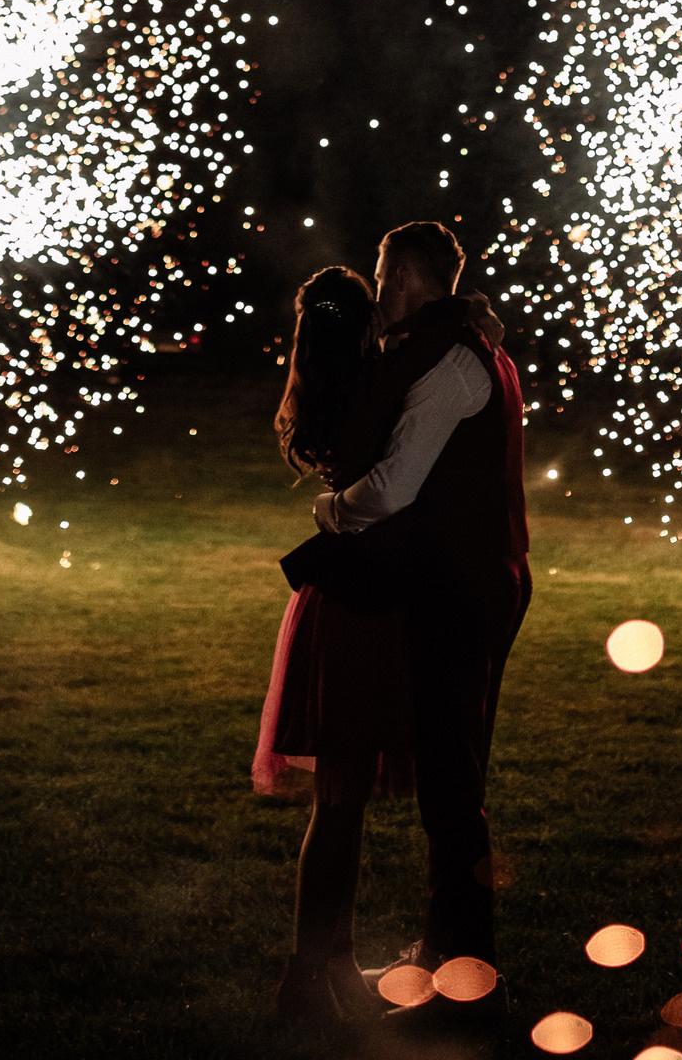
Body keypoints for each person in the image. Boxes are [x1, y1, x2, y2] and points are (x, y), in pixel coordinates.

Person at [311, 220, 531, 1027]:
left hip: (459, 587)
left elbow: (398, 484)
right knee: (451, 778)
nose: (377, 293)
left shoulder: (448, 364)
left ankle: (471, 988)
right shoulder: (474, 344)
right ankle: (445, 956)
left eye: (382, 275)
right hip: (479, 577)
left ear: (402, 273)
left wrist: (332, 510)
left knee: (451, 788)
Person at [254, 265, 414, 1026]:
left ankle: (327, 963)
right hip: (356, 610)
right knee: (340, 803)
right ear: (359, 323)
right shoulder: (370, 388)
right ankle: (313, 971)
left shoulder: (316, 386)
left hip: (335, 602)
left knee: (339, 805)